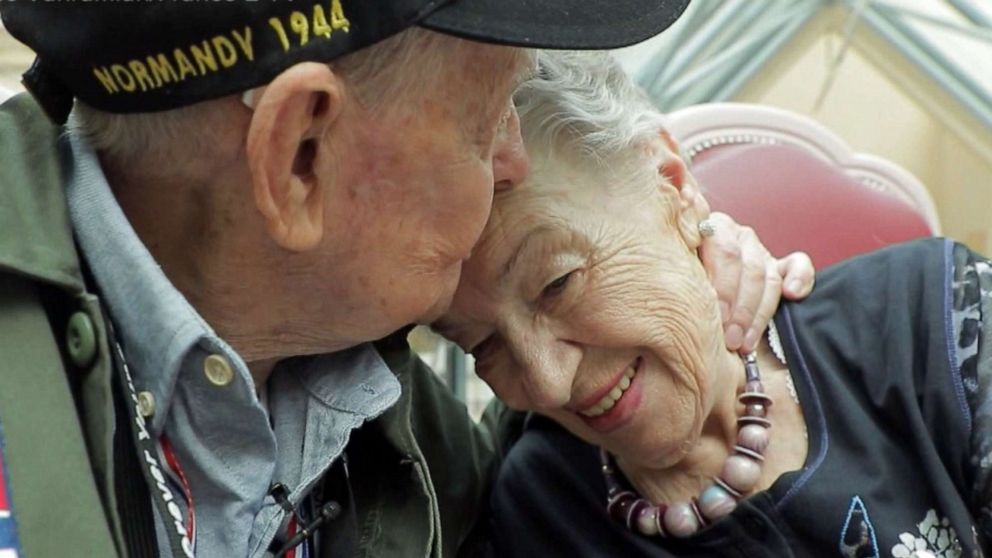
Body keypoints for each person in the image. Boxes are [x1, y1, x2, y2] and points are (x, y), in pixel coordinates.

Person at [0, 3, 815, 558]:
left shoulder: (396, 410)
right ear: (300, 156)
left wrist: (674, 251)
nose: (514, 158)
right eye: (487, 116)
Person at [436, 51, 992, 558]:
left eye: (557, 283)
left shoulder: (933, 317)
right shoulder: (545, 510)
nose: (548, 384)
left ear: (669, 183)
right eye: (483, 346)